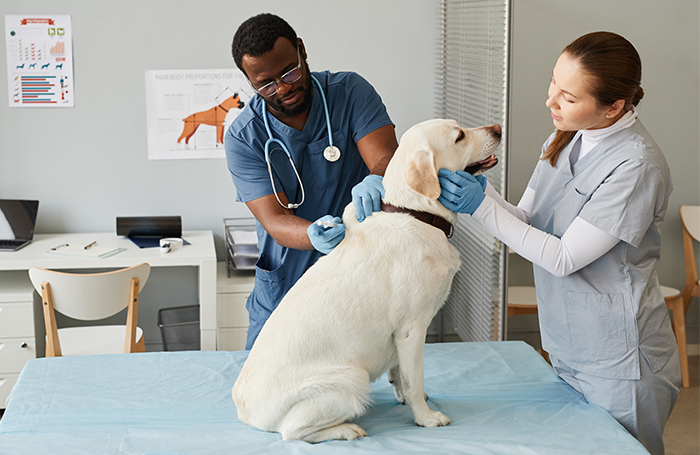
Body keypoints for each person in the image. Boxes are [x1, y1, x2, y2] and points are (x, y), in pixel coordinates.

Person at [438, 32, 680, 455]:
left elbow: (564, 257)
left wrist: (480, 207)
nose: (551, 101)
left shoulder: (636, 166)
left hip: (619, 359)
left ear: (615, 106)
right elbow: (527, 226)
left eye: (568, 97)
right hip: (568, 346)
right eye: (554, 82)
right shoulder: (565, 136)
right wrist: (484, 192)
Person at [224, 13, 398, 349]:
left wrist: (377, 178)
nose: (284, 88)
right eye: (267, 84)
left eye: (289, 71)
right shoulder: (244, 137)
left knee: (356, 378)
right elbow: (275, 220)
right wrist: (312, 235)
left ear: (302, 50)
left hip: (358, 273)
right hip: (287, 282)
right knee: (266, 383)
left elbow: (384, 159)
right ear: (250, 82)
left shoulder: (349, 93)